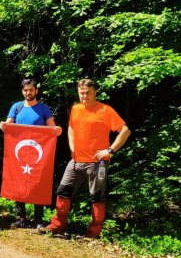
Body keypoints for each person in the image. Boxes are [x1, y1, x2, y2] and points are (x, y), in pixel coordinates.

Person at [43, 79, 130, 238]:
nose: (84, 96)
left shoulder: (105, 110)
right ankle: (58, 224)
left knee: (97, 197)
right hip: (76, 161)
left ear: (95, 92)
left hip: (98, 164)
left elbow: (125, 131)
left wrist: (110, 150)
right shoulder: (76, 108)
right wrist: (72, 146)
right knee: (63, 191)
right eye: (81, 92)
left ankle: (93, 233)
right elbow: (71, 127)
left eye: (88, 92)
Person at [0, 79, 62, 229]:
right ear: (22, 91)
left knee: (38, 182)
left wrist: (58, 130)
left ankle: (38, 219)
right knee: (19, 182)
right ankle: (21, 218)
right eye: (26, 90)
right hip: (19, 152)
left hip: (37, 153)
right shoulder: (17, 107)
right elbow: (8, 125)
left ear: (36, 91)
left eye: (31, 90)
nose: (29, 93)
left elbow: (53, 129)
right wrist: (3, 125)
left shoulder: (43, 108)